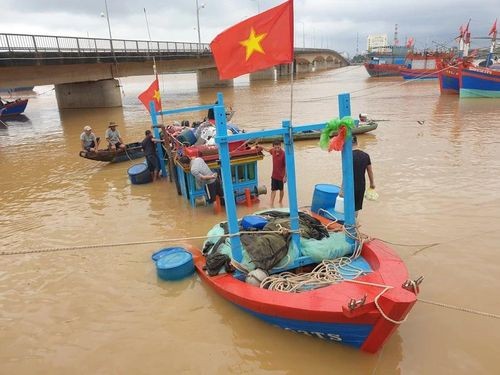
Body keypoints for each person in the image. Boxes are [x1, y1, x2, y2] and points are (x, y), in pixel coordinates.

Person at [351, 135, 375, 216]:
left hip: (350, 185)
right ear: (357, 142)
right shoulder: (366, 155)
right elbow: (370, 171)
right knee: (356, 206)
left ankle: (347, 222)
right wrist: (372, 184)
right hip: (361, 185)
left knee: (347, 204)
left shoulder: (348, 156)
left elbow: (345, 172)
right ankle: (354, 220)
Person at [263, 140, 287, 205]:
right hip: (274, 175)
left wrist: (285, 176)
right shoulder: (273, 151)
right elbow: (268, 150)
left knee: (281, 190)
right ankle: (271, 203)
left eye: (278, 147)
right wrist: (261, 147)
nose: (277, 149)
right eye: (275, 148)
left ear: (280, 146)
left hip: (281, 176)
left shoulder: (284, 154)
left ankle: (280, 201)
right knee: (273, 190)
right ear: (273, 147)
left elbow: (286, 166)